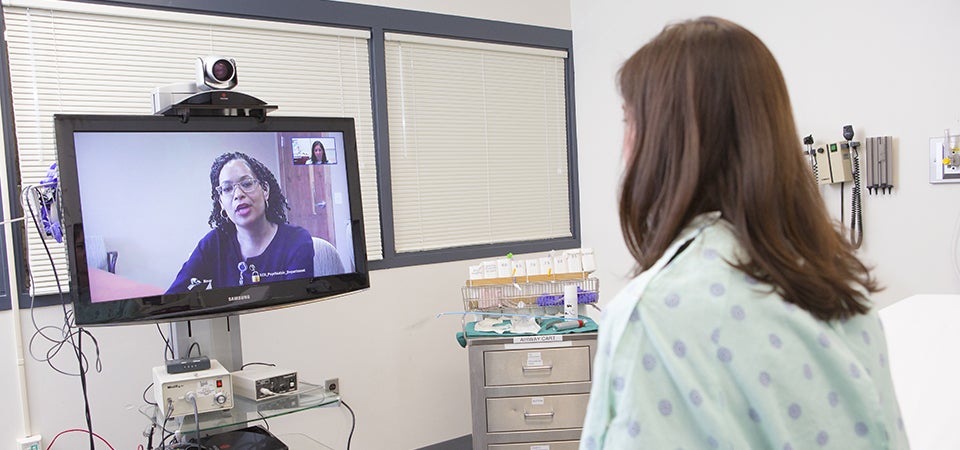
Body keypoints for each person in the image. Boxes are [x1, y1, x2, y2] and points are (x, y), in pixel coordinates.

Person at [580, 17, 909, 449]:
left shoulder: (653, 317)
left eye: (629, 121)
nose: (625, 147)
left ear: (665, 140)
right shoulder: (844, 296)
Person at [167, 152, 315, 294]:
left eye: (246, 183)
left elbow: (296, 306)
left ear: (265, 190)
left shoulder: (296, 241)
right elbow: (174, 298)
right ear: (221, 202)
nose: (238, 194)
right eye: (227, 189)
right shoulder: (213, 244)